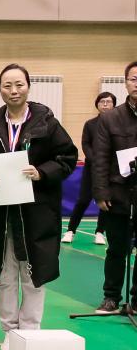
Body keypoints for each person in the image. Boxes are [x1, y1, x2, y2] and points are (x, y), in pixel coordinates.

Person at [0, 63, 77, 350]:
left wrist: (42, 172)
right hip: (1, 213)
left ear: (28, 87)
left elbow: (68, 157)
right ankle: (9, 331)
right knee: (4, 273)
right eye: (7, 85)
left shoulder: (47, 123)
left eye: (19, 84)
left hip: (37, 212)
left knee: (34, 272)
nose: (13, 90)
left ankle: (30, 331)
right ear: (0, 89)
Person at [92, 61, 137, 314]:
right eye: (133, 79)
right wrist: (101, 192)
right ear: (126, 83)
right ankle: (111, 297)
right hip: (119, 193)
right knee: (116, 249)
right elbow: (100, 157)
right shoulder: (110, 118)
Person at [62, 92, 116, 245]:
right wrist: (97, 160)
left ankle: (100, 232)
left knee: (106, 201)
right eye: (102, 102)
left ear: (113, 105)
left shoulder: (117, 124)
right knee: (83, 199)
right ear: (97, 104)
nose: (105, 104)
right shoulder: (90, 124)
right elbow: (85, 144)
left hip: (110, 169)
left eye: (108, 102)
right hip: (92, 168)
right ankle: (70, 231)